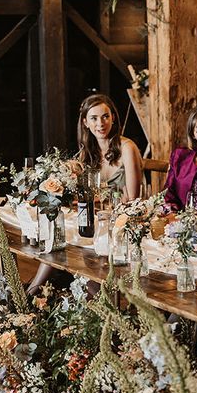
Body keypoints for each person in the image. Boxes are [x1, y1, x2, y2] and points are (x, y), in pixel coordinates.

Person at [27, 93, 143, 294]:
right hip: (95, 222)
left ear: (113, 118)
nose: (101, 123)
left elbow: (132, 200)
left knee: (66, 244)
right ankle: (34, 292)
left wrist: (101, 202)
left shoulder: (127, 148)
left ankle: (33, 293)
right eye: (94, 118)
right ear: (85, 122)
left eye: (105, 116)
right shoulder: (86, 153)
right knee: (58, 238)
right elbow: (78, 196)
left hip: (121, 224)